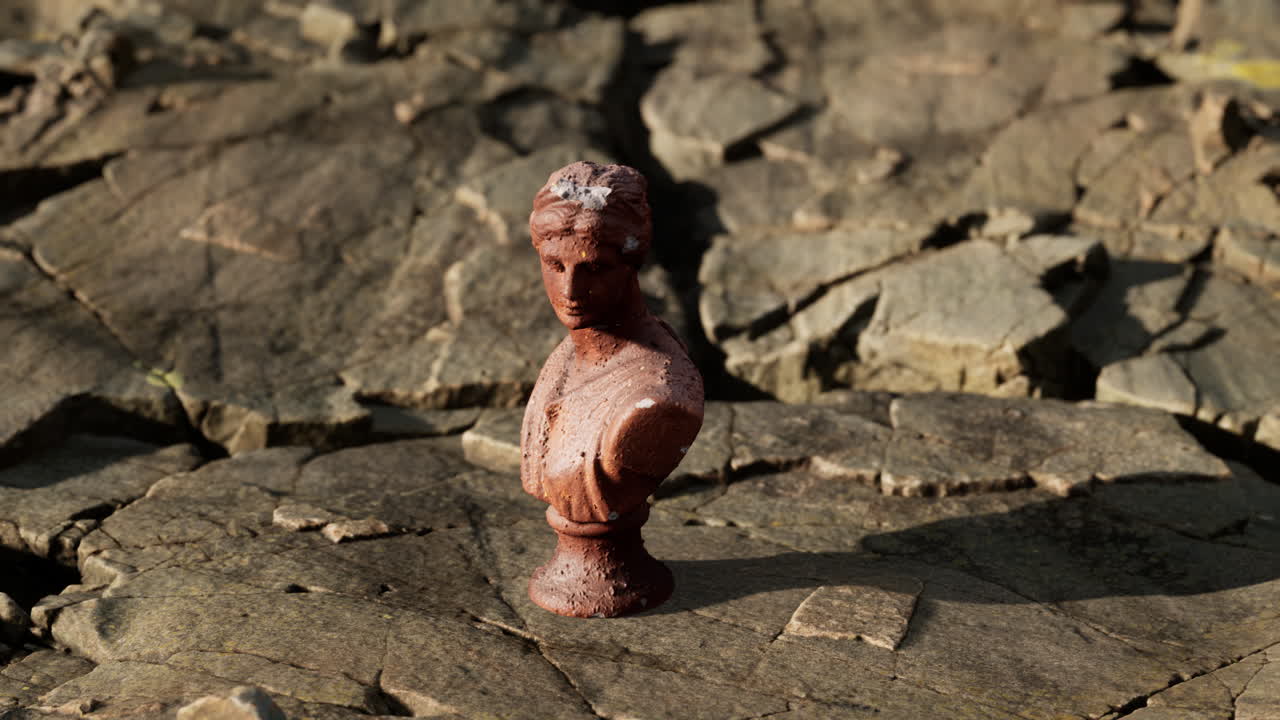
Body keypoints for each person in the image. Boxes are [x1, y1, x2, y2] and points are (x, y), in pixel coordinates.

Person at [520, 160, 703, 617]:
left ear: (632, 264)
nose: (570, 289)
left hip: (614, 575)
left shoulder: (659, 395)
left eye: (595, 268)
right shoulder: (564, 357)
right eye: (554, 264)